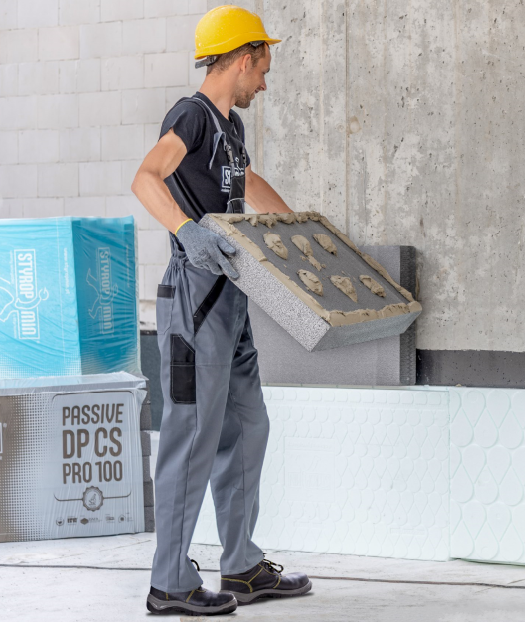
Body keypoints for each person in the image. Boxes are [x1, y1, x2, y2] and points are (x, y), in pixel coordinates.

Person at [131, 5, 311, 616]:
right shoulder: (191, 116)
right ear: (242, 58)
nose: (265, 81)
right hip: (193, 299)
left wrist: (298, 232)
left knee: (247, 426)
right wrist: (187, 230)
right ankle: (170, 583)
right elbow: (147, 177)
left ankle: (240, 565)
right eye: (263, 67)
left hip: (232, 298)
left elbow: (247, 182)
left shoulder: (229, 128)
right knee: (192, 436)